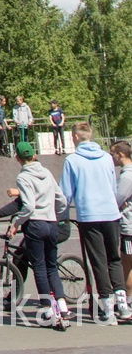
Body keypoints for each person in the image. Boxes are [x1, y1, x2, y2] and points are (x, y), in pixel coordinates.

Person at [59, 121, 131, 324]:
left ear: (74, 137)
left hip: (90, 215)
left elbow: (65, 194)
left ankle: (107, 309)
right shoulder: (107, 159)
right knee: (113, 259)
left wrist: (62, 217)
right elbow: (111, 187)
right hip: (110, 214)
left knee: (98, 261)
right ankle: (123, 306)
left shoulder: (72, 160)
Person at [4, 141, 70, 330]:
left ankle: (49, 310)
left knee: (39, 268)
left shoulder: (23, 177)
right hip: (51, 224)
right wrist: (55, 215)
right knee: (51, 267)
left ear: (17, 158)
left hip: (35, 225)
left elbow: (29, 206)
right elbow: (62, 200)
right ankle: (63, 307)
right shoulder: (47, 173)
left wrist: (17, 223)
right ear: (33, 155)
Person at [110, 141, 132, 309]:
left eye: (113, 154)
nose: (112, 158)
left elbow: (118, 199)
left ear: (121, 154)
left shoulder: (127, 176)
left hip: (129, 227)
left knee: (128, 264)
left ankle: (129, 301)